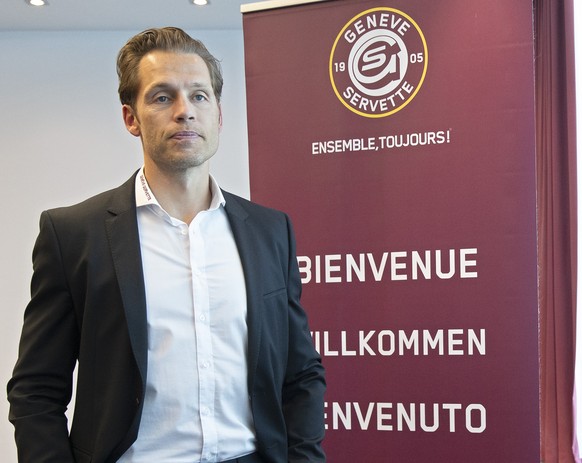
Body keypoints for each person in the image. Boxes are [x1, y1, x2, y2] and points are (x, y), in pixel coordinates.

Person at [7, 27, 326, 463]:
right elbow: (37, 390)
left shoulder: (270, 232)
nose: (184, 112)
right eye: (162, 97)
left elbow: (301, 372)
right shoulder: (74, 235)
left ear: (218, 114)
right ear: (130, 119)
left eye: (199, 96)